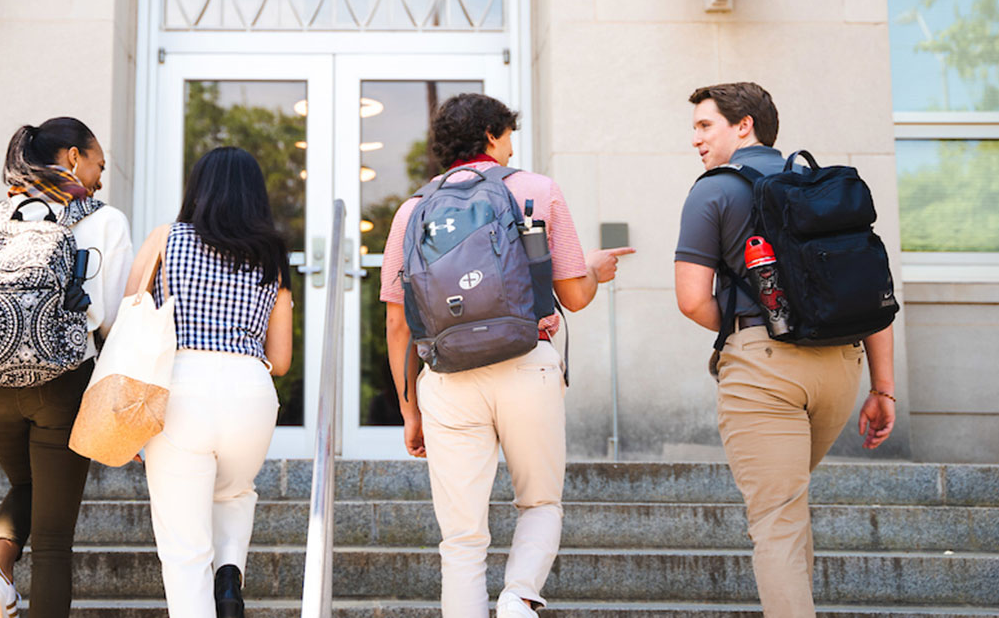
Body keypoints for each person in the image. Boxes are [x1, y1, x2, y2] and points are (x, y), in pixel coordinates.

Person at [379, 93, 632, 618]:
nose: (512, 145)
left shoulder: (411, 211)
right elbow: (576, 296)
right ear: (493, 135)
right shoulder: (537, 190)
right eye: (509, 134)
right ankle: (519, 595)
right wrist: (596, 269)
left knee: (461, 537)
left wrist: (410, 409)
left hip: (447, 379)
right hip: (526, 361)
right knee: (539, 502)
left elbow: (398, 321)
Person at [673, 81, 896, 618]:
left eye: (705, 125)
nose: (696, 140)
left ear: (743, 124)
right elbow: (872, 292)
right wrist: (883, 388)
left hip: (764, 372)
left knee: (776, 522)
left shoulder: (713, 189)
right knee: (788, 513)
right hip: (842, 370)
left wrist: (743, 335)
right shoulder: (820, 186)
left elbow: (690, 299)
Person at [0, 117, 134, 618]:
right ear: (74, 157)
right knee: (54, 539)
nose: (100, 177)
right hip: (61, 380)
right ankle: (4, 580)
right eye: (99, 164)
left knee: (27, 483)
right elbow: (113, 324)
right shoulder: (105, 221)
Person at [130, 146, 294, 618]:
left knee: (184, 550)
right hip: (249, 389)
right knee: (234, 492)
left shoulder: (166, 239)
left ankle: (213, 584)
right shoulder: (273, 255)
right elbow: (279, 359)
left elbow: (128, 320)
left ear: (197, 189)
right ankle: (229, 575)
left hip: (179, 387)